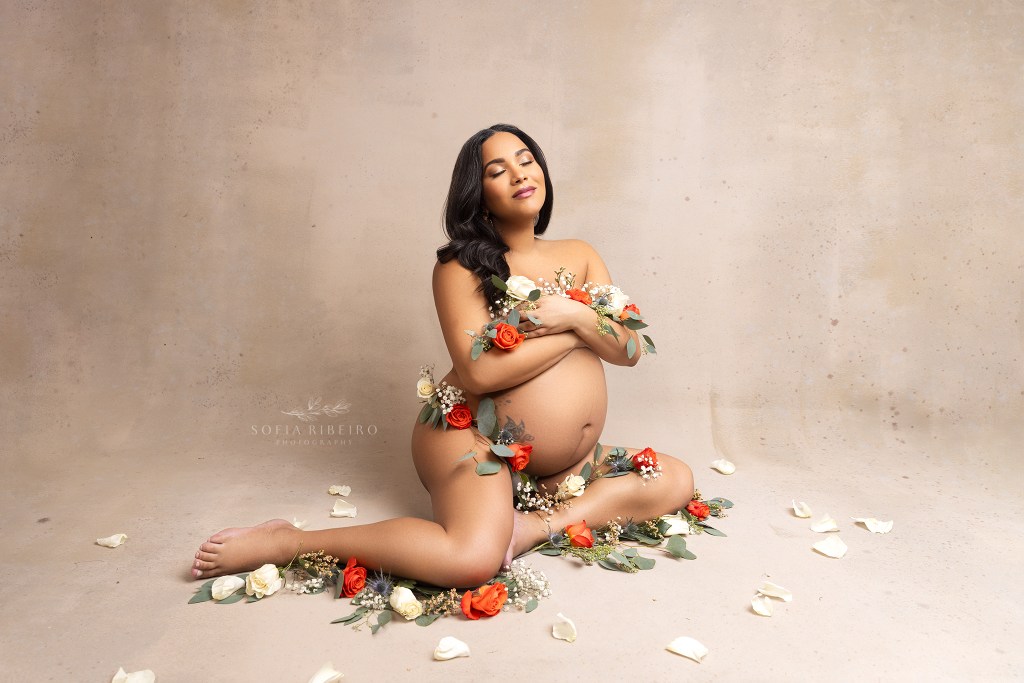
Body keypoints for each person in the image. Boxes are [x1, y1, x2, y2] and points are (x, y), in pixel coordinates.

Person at [191, 124, 694, 587]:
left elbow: (629, 348)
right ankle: (288, 541)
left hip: (557, 469)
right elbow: (478, 374)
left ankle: (537, 525)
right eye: (497, 170)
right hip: (470, 436)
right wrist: (577, 329)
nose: (519, 174)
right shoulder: (460, 266)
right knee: (470, 561)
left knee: (675, 479)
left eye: (526, 160)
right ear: (479, 195)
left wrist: (577, 316)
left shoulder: (580, 253)